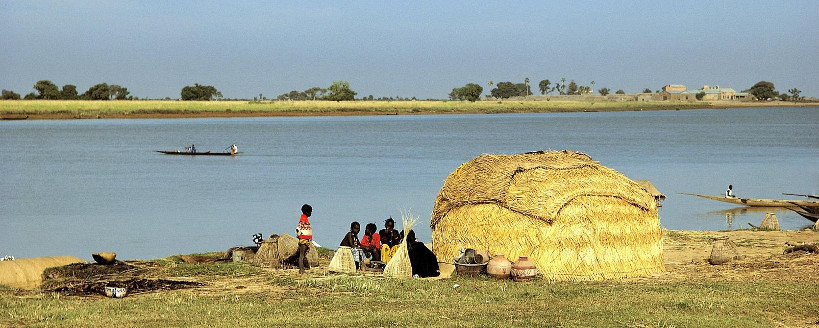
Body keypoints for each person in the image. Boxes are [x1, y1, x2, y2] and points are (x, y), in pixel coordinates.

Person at [295, 204, 313, 274]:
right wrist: (300, 236)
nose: (311, 213)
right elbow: (298, 228)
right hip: (303, 240)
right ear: (307, 212)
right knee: (301, 255)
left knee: (303, 255)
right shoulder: (303, 219)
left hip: (306, 239)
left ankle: (303, 269)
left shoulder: (305, 219)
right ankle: (301, 270)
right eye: (310, 212)